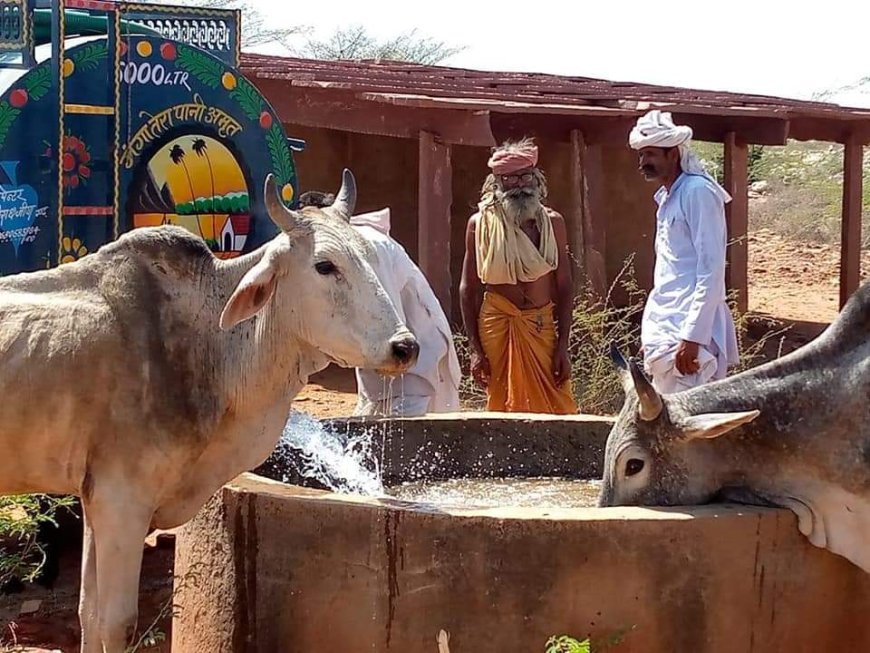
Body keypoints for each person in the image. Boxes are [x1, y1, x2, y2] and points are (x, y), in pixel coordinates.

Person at [298, 191, 461, 417]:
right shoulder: (342, 249)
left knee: (413, 435)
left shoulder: (368, 244)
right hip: (380, 362)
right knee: (375, 430)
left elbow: (388, 312)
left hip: (413, 358)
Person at [458, 137, 577, 414]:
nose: (519, 185)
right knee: (501, 403)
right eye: (510, 179)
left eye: (525, 177)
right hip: (496, 324)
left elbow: (565, 285)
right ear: (497, 183)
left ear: (536, 180)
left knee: (558, 405)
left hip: (540, 324)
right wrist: (475, 350)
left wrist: (563, 346)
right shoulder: (480, 224)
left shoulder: (554, 223)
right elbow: (468, 288)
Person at [628, 110, 740, 394]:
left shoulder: (697, 192)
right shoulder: (667, 197)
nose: (644, 162)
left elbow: (710, 270)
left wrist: (693, 336)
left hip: (689, 328)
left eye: (651, 154)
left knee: (689, 423)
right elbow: (670, 270)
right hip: (669, 323)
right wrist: (655, 330)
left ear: (673, 154)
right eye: (641, 156)